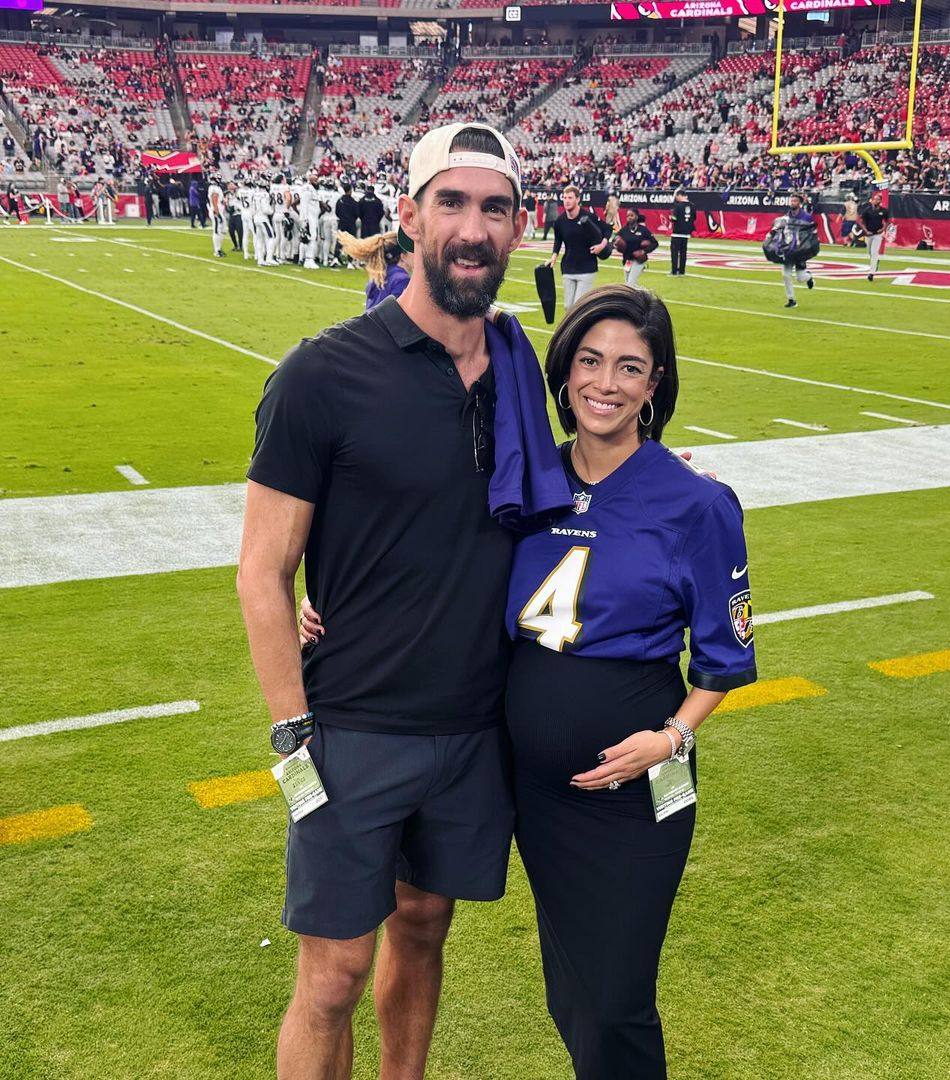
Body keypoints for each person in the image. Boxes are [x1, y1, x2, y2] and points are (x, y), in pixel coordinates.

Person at [300, 286, 755, 1080]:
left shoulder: (697, 502)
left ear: (656, 385)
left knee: (614, 997)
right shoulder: (525, 482)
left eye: (629, 367)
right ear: (563, 372)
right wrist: (330, 596)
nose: (605, 383)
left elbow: (724, 656)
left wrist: (672, 736)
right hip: (528, 788)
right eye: (589, 361)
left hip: (630, 788)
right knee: (572, 995)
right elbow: (425, 551)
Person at [238, 121, 535, 1080]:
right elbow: (262, 571)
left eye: (493, 207)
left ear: (517, 229)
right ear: (409, 217)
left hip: (474, 722)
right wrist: (291, 733)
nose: (471, 228)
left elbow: (576, 483)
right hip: (353, 723)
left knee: (424, 928)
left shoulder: (523, 367)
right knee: (331, 974)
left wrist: (669, 482)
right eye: (451, 202)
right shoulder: (323, 373)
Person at [547, 185, 607, 311]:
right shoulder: (560, 221)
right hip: (568, 267)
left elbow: (607, 229)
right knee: (568, 307)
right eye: (564, 197)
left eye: (570, 197)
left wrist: (602, 245)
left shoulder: (589, 217)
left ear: (577, 199)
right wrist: (553, 257)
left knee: (579, 306)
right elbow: (558, 240)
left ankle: (581, 330)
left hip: (587, 267)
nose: (566, 200)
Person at [765, 193, 817, 309]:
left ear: (799, 203)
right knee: (785, 274)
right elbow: (778, 228)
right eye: (792, 201)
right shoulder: (786, 217)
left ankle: (809, 278)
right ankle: (791, 299)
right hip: (788, 249)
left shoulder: (806, 217)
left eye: (795, 201)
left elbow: (811, 233)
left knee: (800, 277)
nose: (793, 203)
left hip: (800, 250)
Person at [337, 231, 413, 308]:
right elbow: (398, 314)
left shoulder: (380, 275)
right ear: (403, 256)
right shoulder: (402, 279)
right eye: (412, 251)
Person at [614, 207, 657, 287]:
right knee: (628, 284)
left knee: (631, 284)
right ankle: (644, 295)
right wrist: (617, 244)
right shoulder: (624, 230)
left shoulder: (643, 230)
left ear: (636, 216)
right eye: (627, 216)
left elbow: (655, 243)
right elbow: (615, 240)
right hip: (627, 260)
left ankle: (638, 297)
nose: (629, 217)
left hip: (639, 260)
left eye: (631, 215)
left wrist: (644, 251)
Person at [859, 189, 890, 282]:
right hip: (868, 234)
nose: (875, 201)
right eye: (874, 199)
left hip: (877, 234)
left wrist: (883, 229)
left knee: (874, 252)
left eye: (877, 199)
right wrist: (865, 230)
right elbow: (861, 221)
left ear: (880, 201)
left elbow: (887, 221)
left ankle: (871, 273)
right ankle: (876, 262)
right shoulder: (867, 210)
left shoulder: (884, 211)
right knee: (869, 252)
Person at [669, 188, 695, 275]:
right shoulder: (692, 205)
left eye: (677, 197)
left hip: (677, 232)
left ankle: (674, 270)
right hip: (687, 233)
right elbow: (694, 218)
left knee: (675, 252)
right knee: (683, 252)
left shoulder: (678, 206)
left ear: (680, 196)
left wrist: (671, 217)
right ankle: (682, 270)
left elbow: (674, 218)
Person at [207, 175, 227, 258]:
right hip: (216, 211)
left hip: (219, 210)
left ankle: (219, 248)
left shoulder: (214, 187)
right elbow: (214, 199)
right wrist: (216, 212)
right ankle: (217, 250)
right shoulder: (214, 188)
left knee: (223, 230)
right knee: (217, 231)